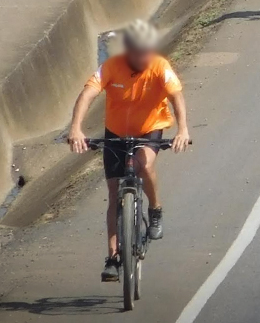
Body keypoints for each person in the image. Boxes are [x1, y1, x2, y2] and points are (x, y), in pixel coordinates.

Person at [65, 19, 191, 283]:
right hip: (116, 133)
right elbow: (87, 94)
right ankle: (113, 257)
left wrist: (183, 130)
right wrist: (76, 129)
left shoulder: (160, 66)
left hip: (149, 129)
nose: (144, 56)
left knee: (143, 165)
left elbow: (176, 96)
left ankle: (155, 209)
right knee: (114, 195)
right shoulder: (112, 66)